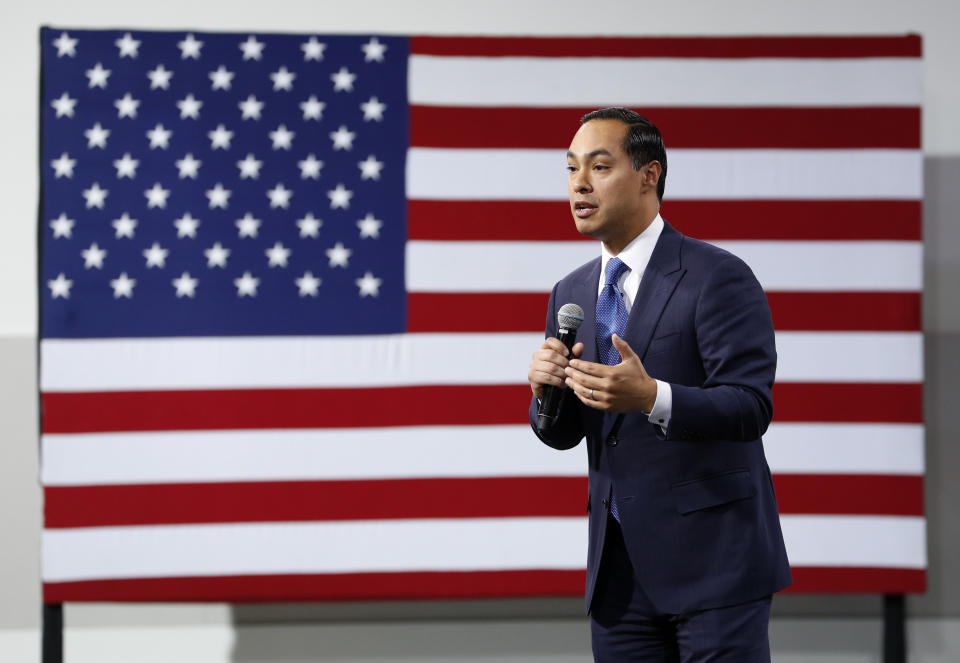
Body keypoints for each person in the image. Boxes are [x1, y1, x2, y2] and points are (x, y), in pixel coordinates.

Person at [527, 107, 791, 662]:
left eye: (599, 167)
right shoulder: (569, 291)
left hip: (713, 566)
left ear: (649, 175)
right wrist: (545, 392)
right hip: (618, 577)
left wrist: (654, 397)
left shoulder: (717, 276)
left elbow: (749, 406)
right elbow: (565, 433)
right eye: (572, 168)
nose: (579, 183)